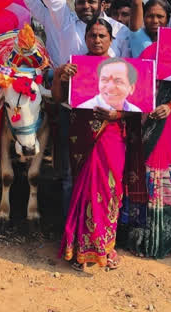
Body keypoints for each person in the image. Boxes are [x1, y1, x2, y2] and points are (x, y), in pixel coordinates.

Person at [52, 18, 126, 270]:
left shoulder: (122, 68)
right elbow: (59, 98)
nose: (96, 40)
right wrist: (60, 76)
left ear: (110, 40)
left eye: (102, 36)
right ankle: (79, 246)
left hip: (112, 135)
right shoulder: (75, 66)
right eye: (92, 35)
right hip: (81, 136)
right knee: (83, 190)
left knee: (109, 190)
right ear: (85, 38)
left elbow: (136, 107)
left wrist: (116, 115)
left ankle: (107, 245)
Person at [119, 39, 171, 259]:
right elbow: (133, 86)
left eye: (160, 17)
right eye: (151, 16)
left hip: (169, 121)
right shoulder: (145, 52)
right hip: (141, 121)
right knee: (141, 176)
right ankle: (139, 240)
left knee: (163, 174)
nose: (155, 21)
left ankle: (163, 240)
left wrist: (170, 105)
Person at [76, 58, 142, 112]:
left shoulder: (136, 111)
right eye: (105, 80)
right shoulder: (84, 109)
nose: (110, 87)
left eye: (118, 81)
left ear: (131, 88)